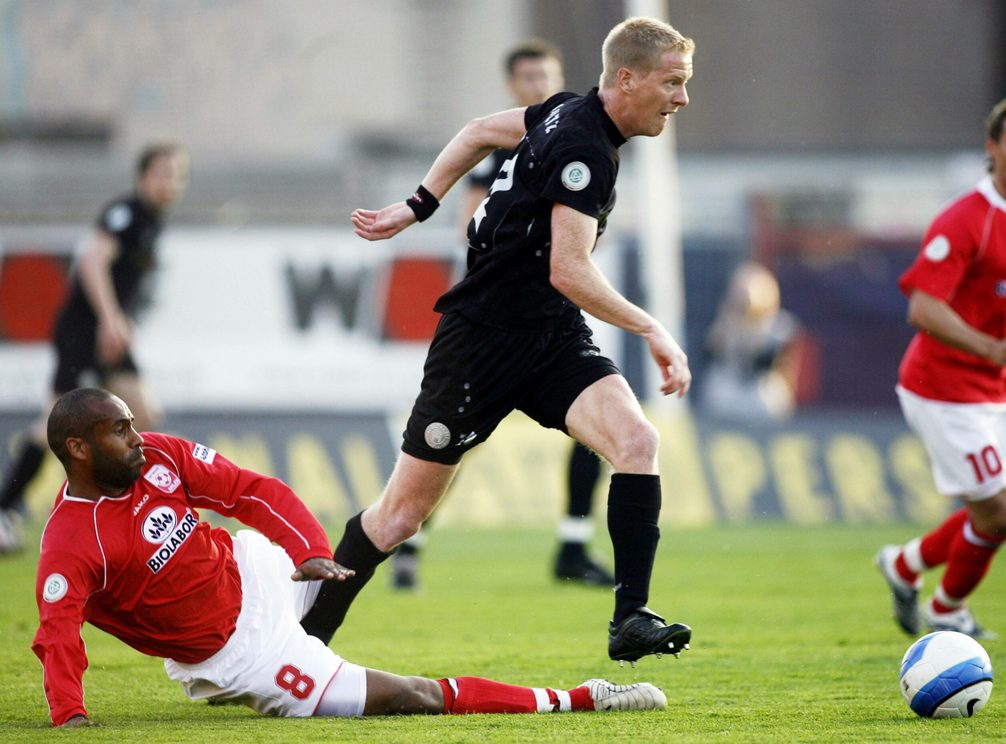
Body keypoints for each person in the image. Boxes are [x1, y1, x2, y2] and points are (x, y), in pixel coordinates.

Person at [304, 17, 696, 666]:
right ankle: (302, 643)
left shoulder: (570, 112)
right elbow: (568, 269)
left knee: (636, 441)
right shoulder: (585, 148)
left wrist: (417, 205)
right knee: (399, 518)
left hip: (550, 337)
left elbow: (478, 131)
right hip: (479, 344)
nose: (682, 98)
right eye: (673, 82)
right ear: (625, 80)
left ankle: (630, 617)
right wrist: (651, 327)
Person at [31, 387, 668, 728]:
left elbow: (255, 492)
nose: (137, 438)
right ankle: (583, 699)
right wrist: (70, 715)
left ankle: (328, 608)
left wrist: (306, 551)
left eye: (132, 423)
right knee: (414, 698)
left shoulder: (160, 457)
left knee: (373, 531)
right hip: (240, 655)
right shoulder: (70, 542)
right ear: (79, 449)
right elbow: (57, 634)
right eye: (120, 431)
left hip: (255, 574)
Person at [391, 40, 614, 591]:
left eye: (547, 76)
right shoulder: (500, 151)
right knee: (453, 439)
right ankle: (410, 541)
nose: (539, 85)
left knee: (603, 428)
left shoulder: (581, 143)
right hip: (493, 320)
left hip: (552, 317)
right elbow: (471, 224)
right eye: (528, 77)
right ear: (513, 85)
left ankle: (573, 542)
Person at [876, 95, 1006, 639]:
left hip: (993, 386)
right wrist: (989, 347)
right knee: (1000, 518)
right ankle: (945, 610)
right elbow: (923, 306)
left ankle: (906, 565)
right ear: (993, 148)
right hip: (941, 387)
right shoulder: (968, 219)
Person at [0, 143, 189, 554]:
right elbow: (91, 261)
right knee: (55, 420)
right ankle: (3, 509)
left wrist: (120, 320)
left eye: (176, 174)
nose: (170, 182)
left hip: (109, 334)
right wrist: (110, 317)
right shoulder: (128, 213)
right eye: (162, 173)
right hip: (85, 332)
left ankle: (145, 515)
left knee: (147, 415)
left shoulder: (152, 221)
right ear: (143, 177)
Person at [699, 261, 801, 423]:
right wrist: (731, 324)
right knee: (719, 389)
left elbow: (767, 364)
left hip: (759, 386)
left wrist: (752, 331)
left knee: (769, 396)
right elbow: (713, 353)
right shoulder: (726, 321)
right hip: (731, 386)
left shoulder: (779, 326)